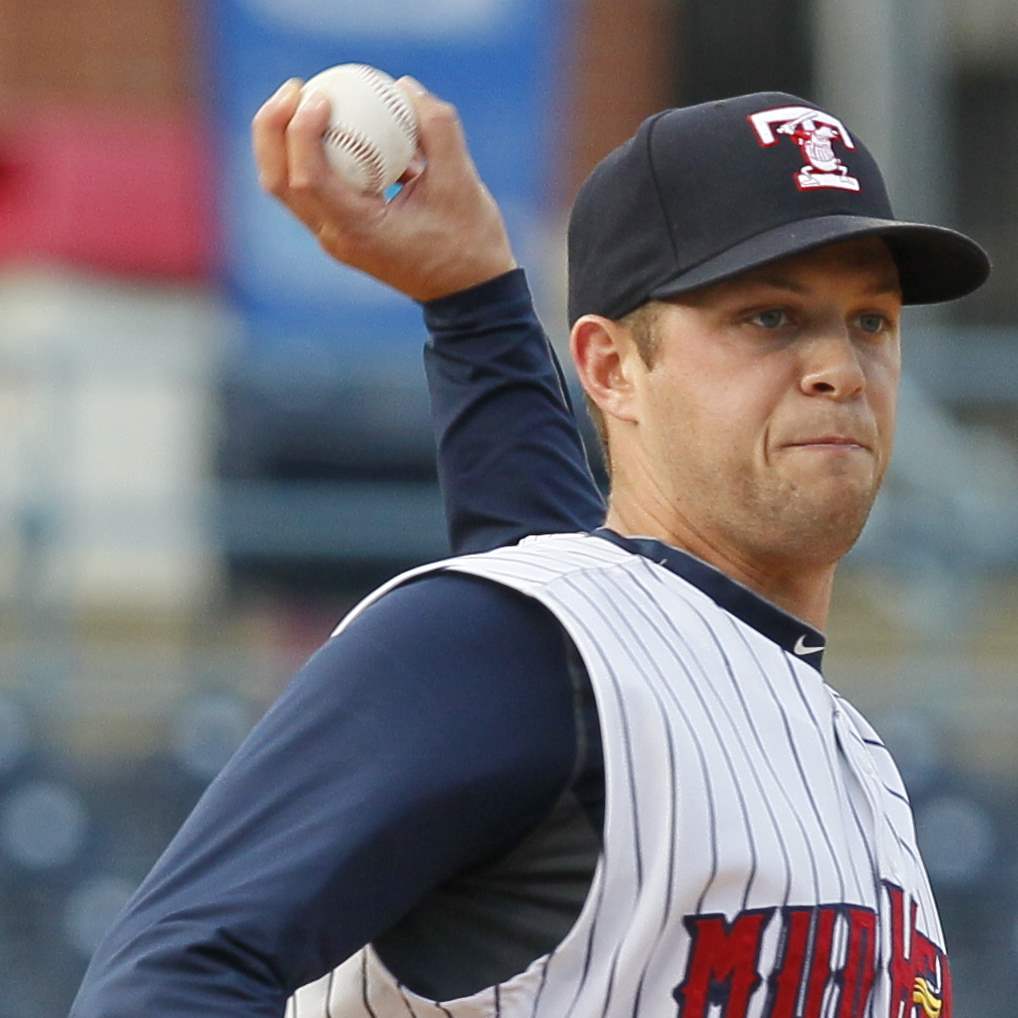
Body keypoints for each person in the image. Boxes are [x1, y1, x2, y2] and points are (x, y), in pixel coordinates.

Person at [69, 80, 990, 1018]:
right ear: (608, 368)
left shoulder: (852, 757)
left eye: (871, 320)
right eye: (770, 318)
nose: (839, 366)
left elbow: (594, 613)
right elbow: (165, 980)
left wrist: (475, 299)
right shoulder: (509, 646)